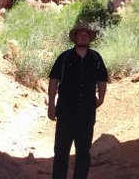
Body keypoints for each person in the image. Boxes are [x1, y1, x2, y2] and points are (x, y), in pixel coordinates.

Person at [47, 21, 108, 179]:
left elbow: (102, 79)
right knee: (61, 152)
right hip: (65, 112)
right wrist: (51, 105)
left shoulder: (96, 58)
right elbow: (54, 80)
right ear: (75, 38)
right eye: (79, 34)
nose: (82, 36)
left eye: (85, 34)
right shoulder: (64, 57)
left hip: (86, 114)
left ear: (89, 38)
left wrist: (101, 98)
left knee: (83, 153)